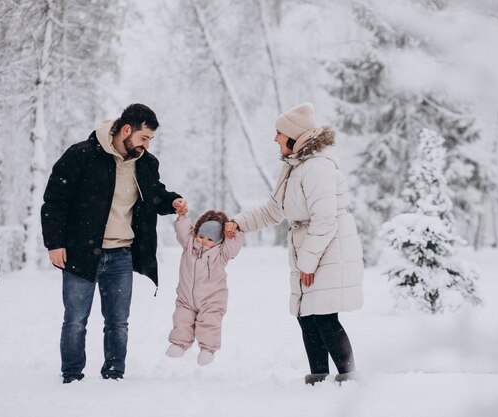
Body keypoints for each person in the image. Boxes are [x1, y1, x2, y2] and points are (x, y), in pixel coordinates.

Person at [41, 103, 188, 383]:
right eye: (144, 137)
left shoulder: (145, 163)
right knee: (75, 321)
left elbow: (153, 192)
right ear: (126, 129)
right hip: (81, 252)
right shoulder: (81, 155)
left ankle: (114, 374)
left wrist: (172, 201)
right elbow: (55, 201)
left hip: (121, 254)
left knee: (118, 323)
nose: (146, 144)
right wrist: (54, 243)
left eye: (150, 140)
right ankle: (71, 376)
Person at [224, 103, 364, 385]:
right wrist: (239, 222)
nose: (274, 139)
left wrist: (308, 262)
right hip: (315, 246)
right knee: (307, 315)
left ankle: (349, 377)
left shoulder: (317, 167)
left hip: (329, 248)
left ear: (293, 135)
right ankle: (319, 376)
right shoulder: (296, 167)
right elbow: (273, 210)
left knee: (323, 315)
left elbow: (325, 221)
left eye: (278, 133)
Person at [166, 209, 244, 366]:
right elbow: (183, 232)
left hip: (212, 299)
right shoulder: (189, 245)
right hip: (186, 297)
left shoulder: (221, 253)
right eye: (201, 236)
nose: (203, 241)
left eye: (209, 239)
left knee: (209, 322)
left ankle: (207, 349)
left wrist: (233, 232)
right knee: (182, 319)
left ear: (218, 239)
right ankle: (179, 344)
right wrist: (182, 217)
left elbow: (234, 247)